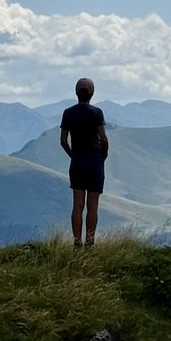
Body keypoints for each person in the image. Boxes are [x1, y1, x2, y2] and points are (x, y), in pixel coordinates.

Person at [59, 76, 108, 246]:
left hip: (77, 163)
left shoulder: (68, 113)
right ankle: (90, 243)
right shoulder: (97, 113)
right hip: (95, 162)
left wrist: (73, 155)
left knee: (77, 204)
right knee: (92, 205)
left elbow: (63, 141)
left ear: (76, 93)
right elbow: (103, 138)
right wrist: (103, 154)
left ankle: (77, 242)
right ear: (92, 94)